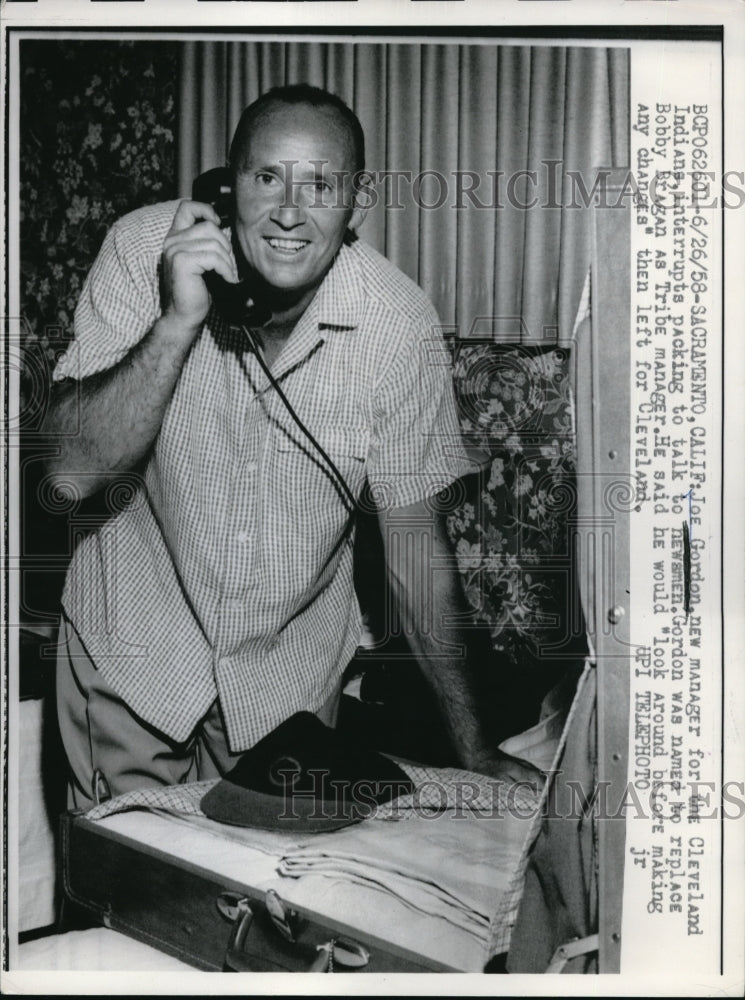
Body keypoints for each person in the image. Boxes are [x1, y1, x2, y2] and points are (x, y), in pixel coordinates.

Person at [44, 84, 540, 809]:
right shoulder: (140, 250)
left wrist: (474, 749)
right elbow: (66, 475)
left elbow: (414, 558)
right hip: (131, 655)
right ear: (226, 184)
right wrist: (178, 322)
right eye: (265, 176)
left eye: (320, 184)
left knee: (263, 907)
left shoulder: (396, 327)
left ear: (355, 204)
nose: (288, 210)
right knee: (129, 896)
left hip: (286, 688)